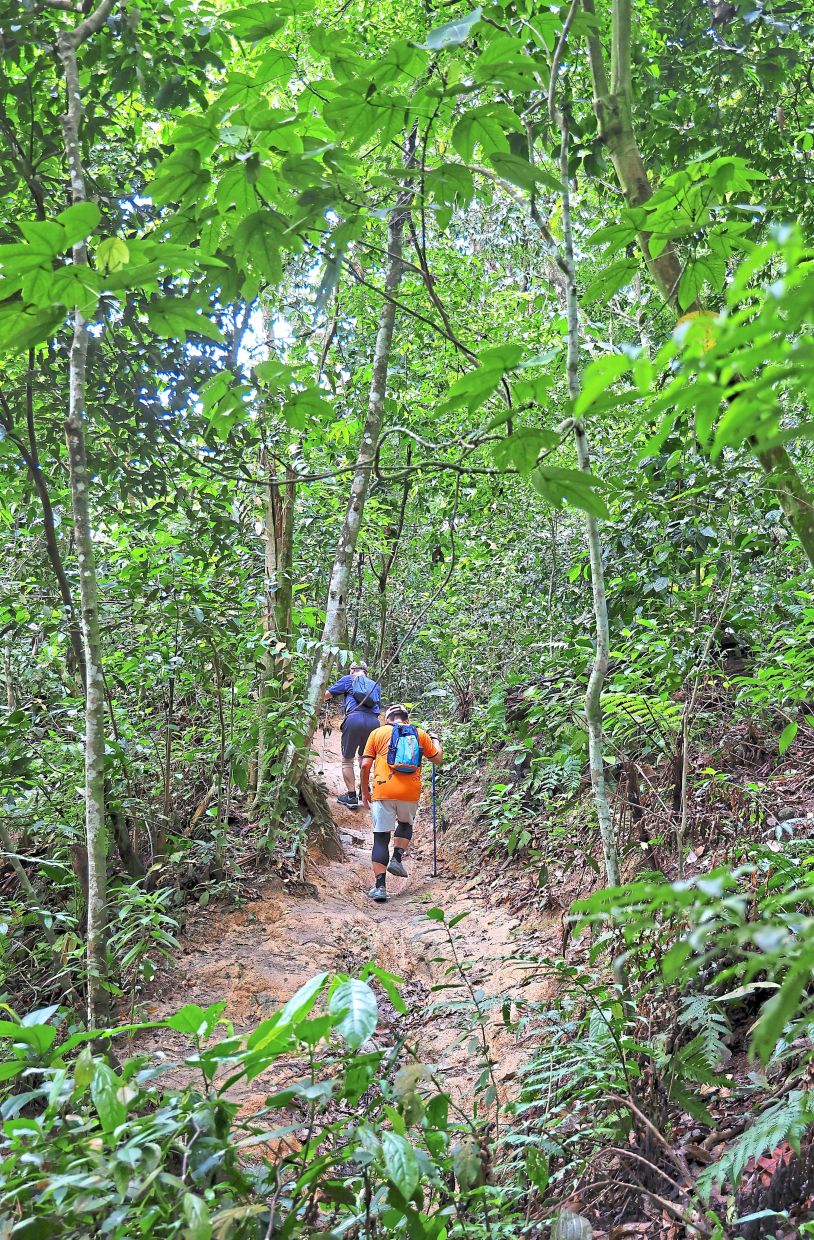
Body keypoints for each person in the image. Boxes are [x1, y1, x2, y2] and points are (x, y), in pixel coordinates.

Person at [360, 703, 442, 903]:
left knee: (380, 837)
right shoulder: (420, 734)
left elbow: (364, 764)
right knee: (405, 824)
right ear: (406, 719)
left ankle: (380, 887)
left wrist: (364, 791)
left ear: (387, 719)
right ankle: (397, 857)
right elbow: (437, 759)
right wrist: (436, 740)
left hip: (383, 789)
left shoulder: (378, 733)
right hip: (410, 791)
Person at [324, 661, 382, 810]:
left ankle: (351, 797)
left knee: (347, 760)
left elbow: (326, 695)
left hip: (354, 719)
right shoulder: (375, 684)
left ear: (352, 671)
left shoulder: (348, 679)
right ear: (366, 672)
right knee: (365, 757)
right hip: (374, 723)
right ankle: (365, 791)